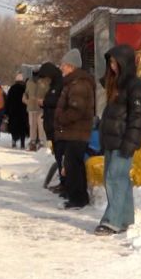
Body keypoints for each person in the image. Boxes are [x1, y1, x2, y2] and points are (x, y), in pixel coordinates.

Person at [96, 44, 141, 235]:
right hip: (112, 140)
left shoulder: (135, 86)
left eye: (115, 62)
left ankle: (113, 221)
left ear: (124, 62)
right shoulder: (116, 84)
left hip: (123, 141)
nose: (112, 66)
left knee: (114, 179)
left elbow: (138, 117)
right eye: (110, 62)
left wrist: (130, 142)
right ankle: (124, 218)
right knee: (118, 179)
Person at [54, 48, 96, 209]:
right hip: (75, 131)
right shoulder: (74, 82)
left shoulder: (79, 84)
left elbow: (76, 109)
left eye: (63, 65)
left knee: (73, 166)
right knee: (74, 165)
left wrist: (61, 119)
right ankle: (78, 197)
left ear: (71, 66)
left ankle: (77, 199)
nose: (61, 68)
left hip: (76, 131)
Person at [38, 62, 64, 188]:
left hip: (57, 125)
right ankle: (62, 181)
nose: (45, 81)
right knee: (58, 155)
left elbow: (58, 101)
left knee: (61, 155)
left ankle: (65, 183)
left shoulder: (59, 84)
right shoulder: (54, 84)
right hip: (52, 124)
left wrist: (45, 101)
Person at [23, 69, 48, 151]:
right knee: (32, 126)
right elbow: (26, 93)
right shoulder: (29, 82)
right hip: (31, 108)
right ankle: (33, 142)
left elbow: (47, 94)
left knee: (41, 126)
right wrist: (25, 99)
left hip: (40, 108)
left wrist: (44, 101)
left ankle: (41, 142)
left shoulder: (44, 82)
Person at [6, 73, 29, 149]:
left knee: (13, 127)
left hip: (13, 111)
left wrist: (7, 111)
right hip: (23, 111)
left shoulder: (12, 88)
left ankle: (14, 141)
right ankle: (22, 143)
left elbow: (8, 100)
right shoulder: (24, 88)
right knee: (22, 127)